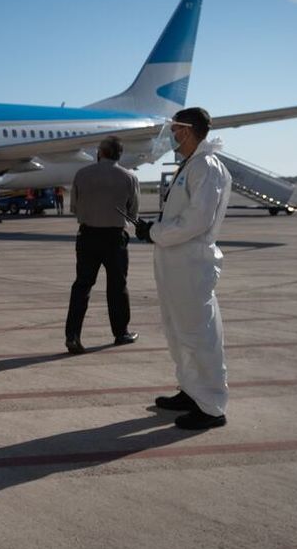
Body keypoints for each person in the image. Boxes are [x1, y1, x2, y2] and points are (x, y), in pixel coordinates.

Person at [135, 107, 232, 431]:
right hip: (176, 260)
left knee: (198, 333)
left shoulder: (206, 166)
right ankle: (192, 392)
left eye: (176, 131)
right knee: (178, 330)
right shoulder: (191, 165)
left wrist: (154, 232)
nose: (172, 137)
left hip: (191, 261)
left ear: (188, 131)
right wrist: (156, 230)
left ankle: (212, 405)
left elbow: (197, 220)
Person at [64, 136, 140, 354]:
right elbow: (133, 212)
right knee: (117, 286)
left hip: (88, 235)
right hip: (114, 237)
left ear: (101, 153)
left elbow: (75, 208)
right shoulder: (129, 177)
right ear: (119, 155)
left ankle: (73, 335)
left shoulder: (82, 174)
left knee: (82, 286)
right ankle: (120, 332)